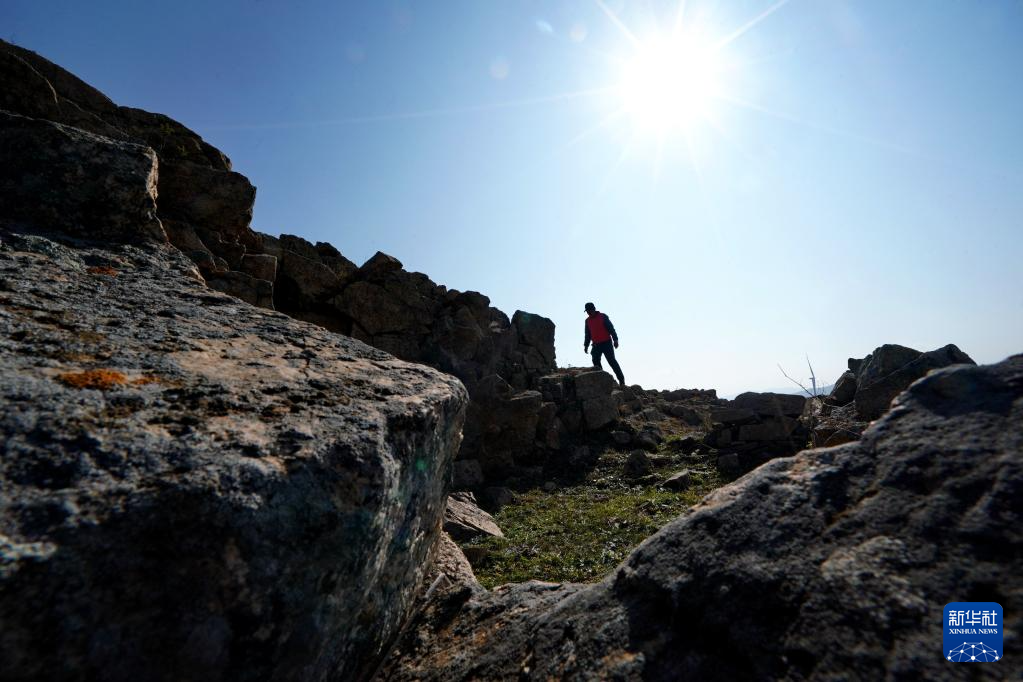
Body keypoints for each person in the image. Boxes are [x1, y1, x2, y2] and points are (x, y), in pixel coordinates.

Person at [583, 302, 625, 386]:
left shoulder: (603, 316)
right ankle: (602, 380)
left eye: (589, 311)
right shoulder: (587, 321)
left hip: (607, 343)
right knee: (595, 360)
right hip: (596, 345)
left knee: (612, 361)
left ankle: (621, 381)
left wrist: (615, 339)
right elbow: (588, 334)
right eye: (587, 311)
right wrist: (586, 345)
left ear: (593, 309)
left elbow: (611, 328)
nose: (588, 313)